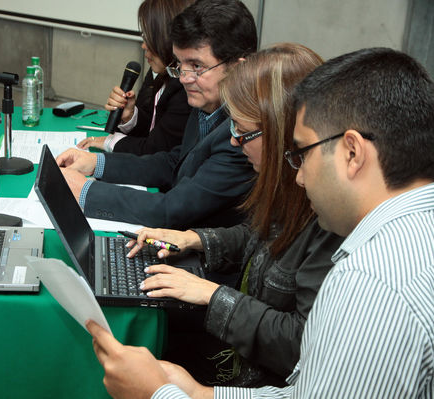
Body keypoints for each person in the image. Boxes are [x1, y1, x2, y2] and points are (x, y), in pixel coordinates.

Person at [87, 47, 434, 398]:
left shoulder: (370, 281)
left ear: (352, 153)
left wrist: (161, 394)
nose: (299, 175)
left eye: (303, 151)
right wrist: (196, 393)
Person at [123, 43, 344, 388]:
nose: (235, 141)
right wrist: (193, 239)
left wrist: (211, 295)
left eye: (242, 130)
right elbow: (259, 237)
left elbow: (301, 344)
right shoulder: (286, 186)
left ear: (282, 132)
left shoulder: (330, 214)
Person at [57, 0, 258, 229]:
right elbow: (175, 162)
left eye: (197, 66)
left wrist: (86, 192)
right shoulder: (208, 102)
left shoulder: (244, 133)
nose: (184, 78)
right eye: (181, 65)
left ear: (238, 68)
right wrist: (97, 163)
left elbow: (172, 210)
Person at [77, 0, 194, 156]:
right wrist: (130, 116)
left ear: (167, 39)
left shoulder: (186, 87)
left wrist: (109, 142)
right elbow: (152, 129)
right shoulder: (158, 72)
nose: (143, 45)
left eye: (149, 38)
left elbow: (156, 150)